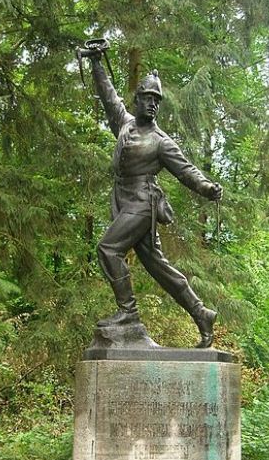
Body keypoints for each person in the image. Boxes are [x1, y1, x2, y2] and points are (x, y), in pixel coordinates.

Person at [87, 46, 222, 348]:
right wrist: (97, 62)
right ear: (136, 101)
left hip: (143, 203)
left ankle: (128, 313)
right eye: (147, 98)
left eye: (156, 101)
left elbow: (186, 170)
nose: (152, 105)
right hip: (124, 201)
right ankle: (201, 313)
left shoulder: (162, 142)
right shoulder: (124, 124)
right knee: (158, 266)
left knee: (108, 250)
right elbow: (109, 96)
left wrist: (206, 187)